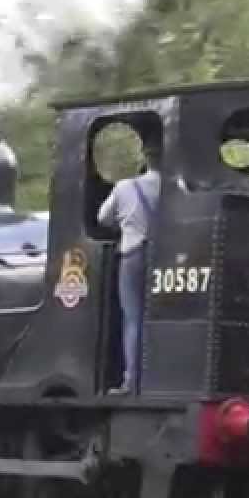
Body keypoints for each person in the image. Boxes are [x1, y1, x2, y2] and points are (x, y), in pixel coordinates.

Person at [96, 146, 161, 395]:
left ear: (146, 157)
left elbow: (103, 218)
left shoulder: (125, 187)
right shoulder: (171, 188)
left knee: (133, 318)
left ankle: (132, 381)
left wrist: (126, 221)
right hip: (164, 256)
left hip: (133, 254)